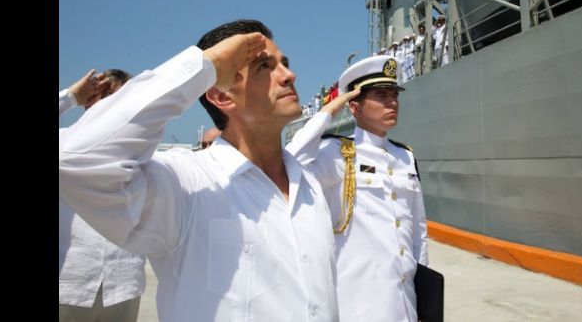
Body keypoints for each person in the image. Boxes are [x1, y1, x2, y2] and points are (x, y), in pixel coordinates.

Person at [59, 19, 340, 322]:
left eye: (285, 64)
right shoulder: (186, 183)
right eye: (264, 67)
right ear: (221, 96)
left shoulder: (309, 185)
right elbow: (74, 160)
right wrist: (205, 66)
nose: (289, 76)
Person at [287, 55, 429, 322]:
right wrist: (327, 112)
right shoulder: (338, 153)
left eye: (394, 94)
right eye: (381, 95)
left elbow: (418, 233)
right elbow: (290, 162)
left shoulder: (405, 156)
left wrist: (423, 297)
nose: (392, 102)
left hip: (405, 303)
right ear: (354, 106)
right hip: (360, 304)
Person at [59, 68, 147, 322]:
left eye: (121, 98)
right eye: (105, 95)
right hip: (69, 286)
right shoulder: (63, 144)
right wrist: (72, 97)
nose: (112, 104)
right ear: (90, 101)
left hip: (124, 286)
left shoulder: (145, 154)